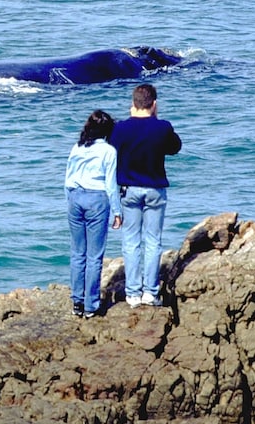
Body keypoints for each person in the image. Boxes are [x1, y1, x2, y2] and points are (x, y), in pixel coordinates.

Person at [109, 83, 181, 308]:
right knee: (153, 241)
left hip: (129, 189)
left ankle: (132, 293)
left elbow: (111, 152)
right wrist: (156, 119)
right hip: (155, 190)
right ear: (154, 104)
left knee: (131, 241)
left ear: (133, 104)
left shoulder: (120, 128)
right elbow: (175, 148)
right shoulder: (163, 127)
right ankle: (150, 292)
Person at [65, 110, 123, 318]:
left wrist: (70, 200)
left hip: (75, 197)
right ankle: (91, 305)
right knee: (94, 256)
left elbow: (68, 179)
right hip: (97, 199)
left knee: (77, 253)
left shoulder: (77, 147)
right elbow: (110, 185)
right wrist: (117, 211)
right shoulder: (108, 151)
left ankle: (77, 302)